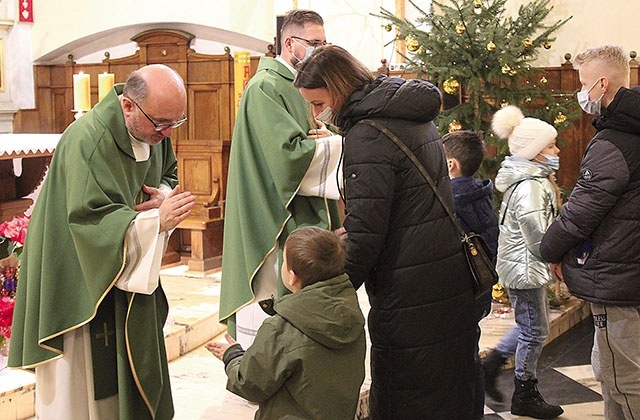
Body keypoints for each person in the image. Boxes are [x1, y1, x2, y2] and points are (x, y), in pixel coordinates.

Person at [294, 45, 477, 419]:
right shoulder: (406, 111)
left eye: (317, 103)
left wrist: (326, 297)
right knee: (451, 388)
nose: (316, 115)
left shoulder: (368, 133)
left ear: (338, 87)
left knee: (406, 396)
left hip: (408, 291)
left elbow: (367, 233)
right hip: (443, 277)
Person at [8, 64, 195, 420]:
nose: (167, 132)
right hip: (79, 275)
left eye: (176, 122)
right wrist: (157, 220)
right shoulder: (87, 140)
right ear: (127, 106)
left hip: (125, 270)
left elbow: (166, 172)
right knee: (82, 385)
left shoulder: (154, 128)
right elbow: (88, 221)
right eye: (161, 123)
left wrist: (162, 197)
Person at [219, 9, 343, 348]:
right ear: (289, 43)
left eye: (323, 42)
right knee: (273, 297)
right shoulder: (266, 87)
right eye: (314, 43)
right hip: (274, 214)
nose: (320, 50)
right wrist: (338, 146)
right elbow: (288, 156)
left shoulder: (294, 84)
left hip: (295, 206)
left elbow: (312, 135)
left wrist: (326, 137)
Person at [540, 45, 640, 420]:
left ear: (602, 83)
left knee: (623, 379)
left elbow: (584, 208)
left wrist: (550, 249)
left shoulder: (617, 140)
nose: (581, 95)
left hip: (619, 272)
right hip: (630, 267)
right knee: (615, 370)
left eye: (582, 84)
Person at [207, 226, 366, 420]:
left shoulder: (281, 328)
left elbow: (251, 384)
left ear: (292, 276)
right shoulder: (351, 314)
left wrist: (232, 356)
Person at [483, 105, 563, 418]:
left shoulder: (534, 177)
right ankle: (524, 395)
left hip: (525, 266)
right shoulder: (530, 185)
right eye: (550, 146)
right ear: (534, 152)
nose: (557, 150)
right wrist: (557, 257)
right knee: (534, 331)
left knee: (532, 326)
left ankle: (491, 365)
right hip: (526, 268)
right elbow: (538, 235)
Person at [442, 130, 499, 420]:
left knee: (456, 363)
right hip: (478, 293)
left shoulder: (450, 200)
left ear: (450, 164)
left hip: (458, 295)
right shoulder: (479, 193)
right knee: (470, 355)